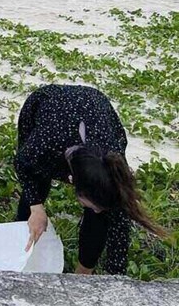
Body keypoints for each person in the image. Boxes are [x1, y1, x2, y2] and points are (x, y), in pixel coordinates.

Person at [15, 84, 166, 275]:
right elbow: (23, 162)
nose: (96, 208)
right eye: (92, 203)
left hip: (97, 109)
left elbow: (119, 229)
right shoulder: (45, 143)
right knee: (37, 184)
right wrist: (36, 206)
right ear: (72, 181)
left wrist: (116, 278)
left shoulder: (112, 164)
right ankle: (18, 249)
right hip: (47, 104)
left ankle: (83, 273)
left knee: (101, 215)